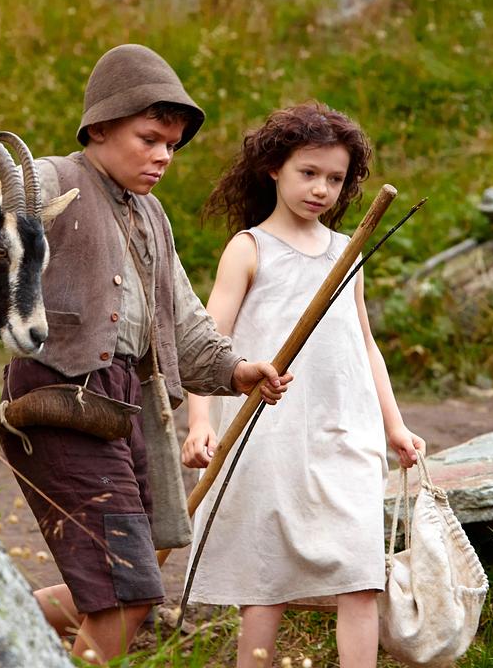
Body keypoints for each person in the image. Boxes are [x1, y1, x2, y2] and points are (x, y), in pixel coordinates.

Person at [0, 44, 294, 664]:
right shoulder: (50, 180)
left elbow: (182, 319)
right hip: (60, 399)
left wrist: (236, 370)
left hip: (128, 407)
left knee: (129, 585)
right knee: (124, 592)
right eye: (149, 139)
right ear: (100, 127)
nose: (162, 156)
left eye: (172, 146)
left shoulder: (152, 215)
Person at [180, 102, 425, 668]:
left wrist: (394, 425)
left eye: (335, 179)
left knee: (360, 574)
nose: (321, 189)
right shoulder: (250, 248)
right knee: (265, 582)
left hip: (346, 433)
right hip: (271, 436)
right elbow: (207, 346)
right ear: (274, 169)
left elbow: (364, 344)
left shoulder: (347, 251)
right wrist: (199, 422)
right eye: (308, 173)